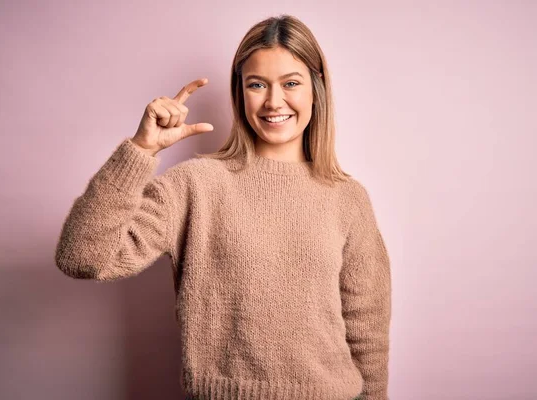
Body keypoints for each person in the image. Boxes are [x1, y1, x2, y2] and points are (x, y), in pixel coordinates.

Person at [55, 14, 391, 400]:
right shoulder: (197, 184)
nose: (273, 101)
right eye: (257, 84)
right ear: (240, 93)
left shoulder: (348, 198)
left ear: (316, 90)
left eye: (291, 83)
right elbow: (81, 257)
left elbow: (367, 330)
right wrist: (140, 150)